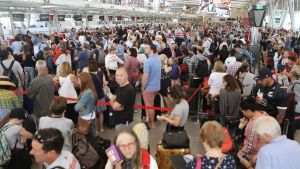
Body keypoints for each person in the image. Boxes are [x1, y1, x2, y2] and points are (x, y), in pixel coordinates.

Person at [237, 100, 268, 166]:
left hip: (256, 155)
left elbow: (250, 146)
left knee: (237, 155)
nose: (243, 114)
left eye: (243, 112)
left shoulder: (254, 124)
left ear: (248, 110)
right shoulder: (265, 114)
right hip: (266, 151)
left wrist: (241, 152)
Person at [27, 60, 54, 124]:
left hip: (40, 110)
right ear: (45, 67)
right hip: (50, 108)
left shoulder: (35, 81)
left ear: (36, 68)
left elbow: (29, 95)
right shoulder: (50, 78)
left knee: (40, 126)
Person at [142, 44, 161, 129]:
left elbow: (145, 76)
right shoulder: (158, 59)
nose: (145, 49)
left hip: (149, 88)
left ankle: (152, 123)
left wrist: (143, 87)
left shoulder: (148, 61)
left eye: (147, 48)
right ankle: (147, 119)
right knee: (149, 104)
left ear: (151, 50)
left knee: (149, 106)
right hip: (157, 86)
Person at [74, 72, 97, 142]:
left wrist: (81, 108)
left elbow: (76, 108)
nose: (78, 82)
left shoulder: (86, 93)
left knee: (86, 141)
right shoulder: (91, 89)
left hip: (85, 119)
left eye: (79, 80)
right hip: (91, 117)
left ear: (84, 81)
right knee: (92, 139)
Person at [88, 59, 107, 133]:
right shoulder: (101, 73)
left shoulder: (88, 75)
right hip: (101, 96)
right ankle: (101, 128)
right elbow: (105, 83)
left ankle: (96, 130)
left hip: (92, 97)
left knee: (94, 114)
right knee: (101, 113)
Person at [287, 68, 300, 144]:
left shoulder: (296, 85)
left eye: (290, 73)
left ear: (293, 75)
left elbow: (298, 98)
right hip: (294, 109)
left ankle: (293, 144)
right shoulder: (294, 83)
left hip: (295, 109)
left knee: (293, 128)